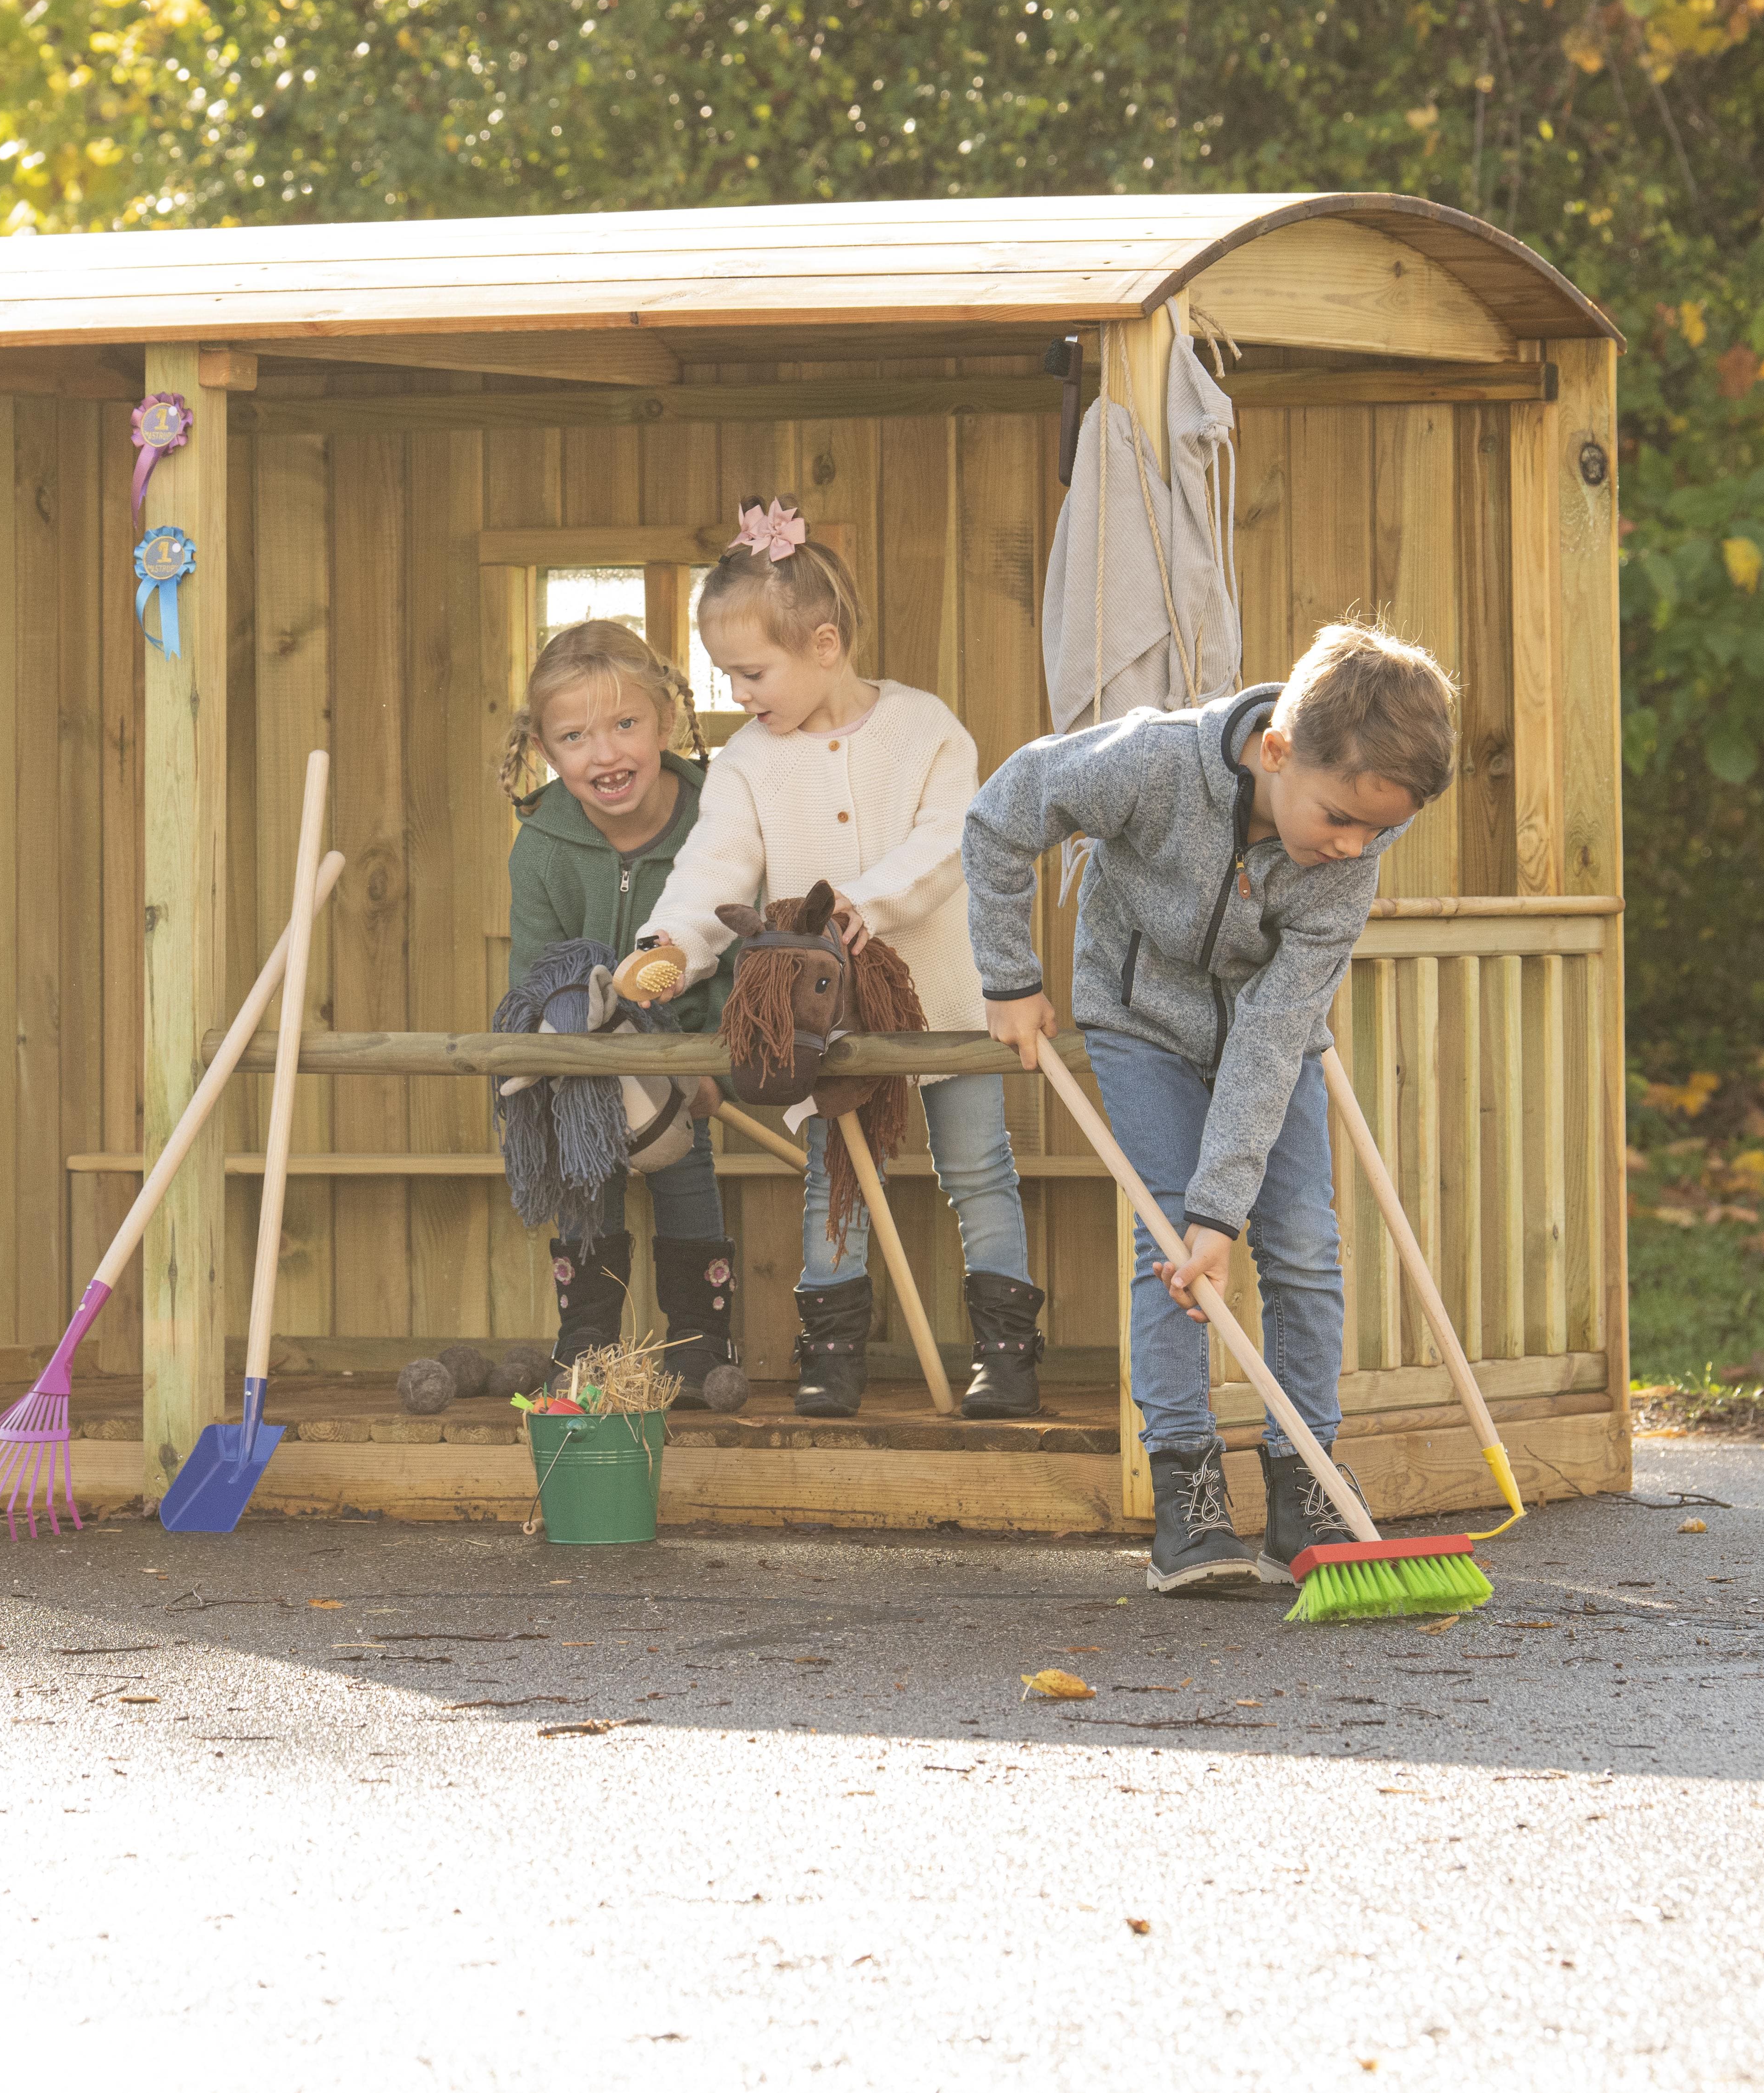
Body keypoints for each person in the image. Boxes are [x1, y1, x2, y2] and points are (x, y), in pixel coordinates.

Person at [965, 621, 1457, 1593]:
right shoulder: (1146, 765)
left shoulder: (1351, 847)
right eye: (1341, 819)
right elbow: (1002, 811)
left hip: (1266, 1042)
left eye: (1377, 830)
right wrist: (1008, 975)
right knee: (1173, 1252)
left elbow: (1275, 1026)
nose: (1353, 847)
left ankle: (1301, 1483)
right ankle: (1185, 1489)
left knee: (1303, 1244)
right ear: (1276, 749)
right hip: (1138, 1021)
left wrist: (1220, 1210)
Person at [624, 499, 1039, 1420]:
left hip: (944, 999)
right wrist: (666, 949)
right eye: (727, 675)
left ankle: (1004, 1353)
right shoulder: (743, 766)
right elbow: (712, 870)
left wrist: (869, 902)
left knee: (977, 1166)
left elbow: (951, 841)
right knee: (836, 1171)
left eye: (751, 671)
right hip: (825, 1021)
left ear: (823, 642)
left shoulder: (926, 728)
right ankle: (832, 1353)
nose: (739, 694)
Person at [500, 618, 735, 1394]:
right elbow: (535, 977)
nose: (605, 754)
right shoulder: (540, 849)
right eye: (575, 737)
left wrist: (711, 1068)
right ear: (544, 748)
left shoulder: (719, 823)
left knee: (685, 1164)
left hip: (683, 1056)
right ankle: (588, 1339)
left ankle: (702, 1345)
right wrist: (563, 1063)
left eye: (626, 724)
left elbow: (738, 955)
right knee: (584, 1167)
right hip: (583, 1060)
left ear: (664, 721)